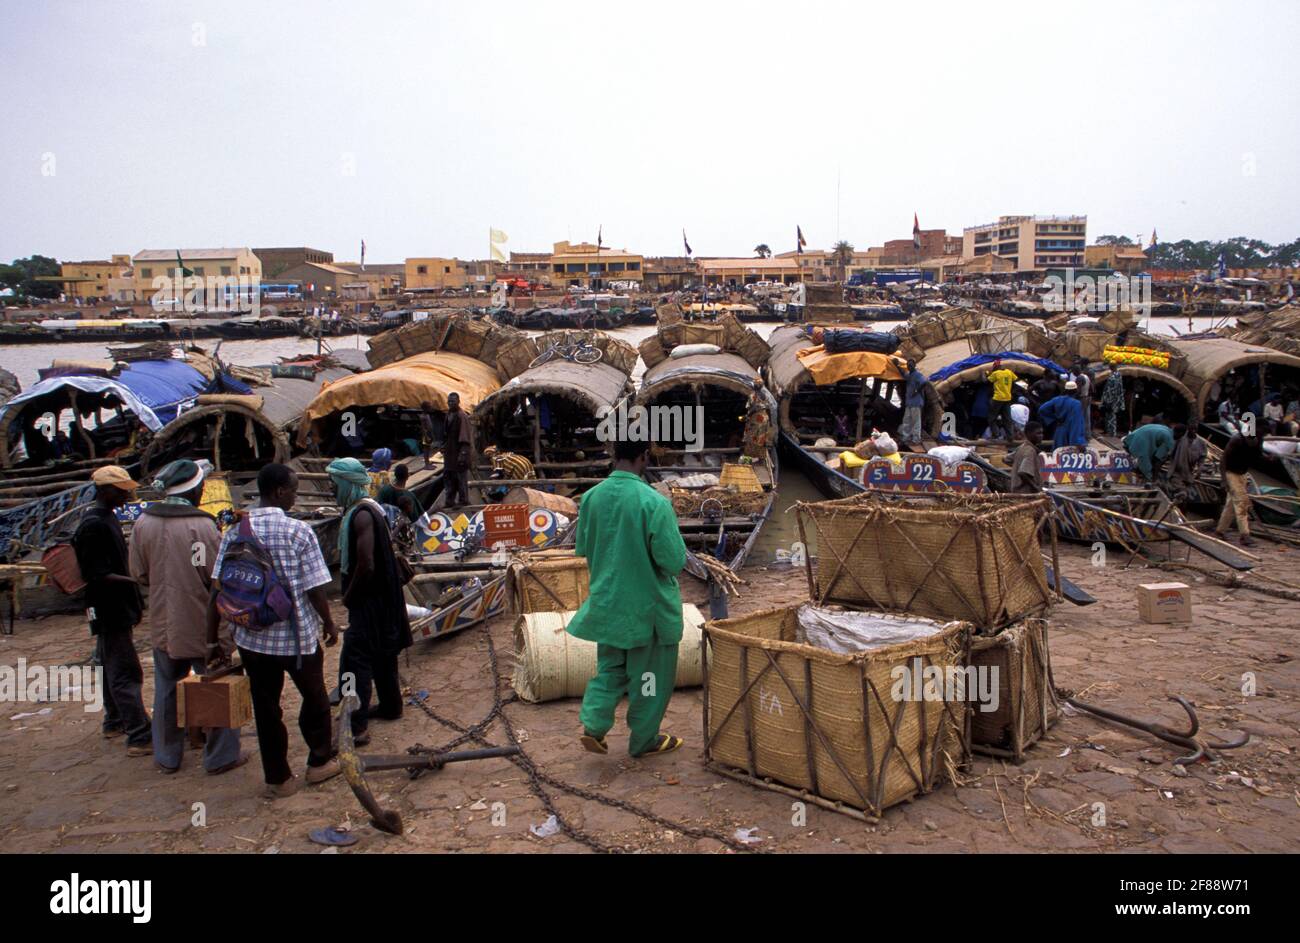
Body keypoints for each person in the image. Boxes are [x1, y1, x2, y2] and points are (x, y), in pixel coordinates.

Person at [207, 463, 341, 797]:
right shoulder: (299, 531)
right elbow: (314, 588)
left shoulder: (236, 530)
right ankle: (319, 763)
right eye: (294, 490)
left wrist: (213, 638)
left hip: (251, 636)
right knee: (315, 698)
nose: (295, 497)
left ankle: (278, 779)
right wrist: (328, 622)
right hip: (296, 637)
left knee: (266, 708)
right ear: (280, 491)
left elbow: (217, 588)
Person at [567, 438, 688, 758]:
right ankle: (643, 739)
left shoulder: (591, 498)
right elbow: (673, 561)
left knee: (610, 669)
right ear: (645, 456)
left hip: (607, 605)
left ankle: (593, 726)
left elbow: (583, 549)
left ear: (613, 455)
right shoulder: (653, 502)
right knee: (649, 678)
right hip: (646, 610)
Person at [129, 459, 244, 775]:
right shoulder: (201, 526)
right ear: (196, 490)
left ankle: (167, 756)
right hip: (203, 624)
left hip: (164, 621)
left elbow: (139, 573)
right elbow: (217, 579)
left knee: (166, 689)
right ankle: (219, 756)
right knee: (215, 685)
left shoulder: (144, 523)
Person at [328, 458, 412, 745]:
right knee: (383, 654)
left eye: (333, 484)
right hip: (383, 599)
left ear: (347, 485)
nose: (331, 490)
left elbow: (366, 563)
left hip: (369, 599)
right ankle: (391, 706)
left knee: (354, 660)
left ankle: (357, 723)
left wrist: (349, 596)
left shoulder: (362, 515)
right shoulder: (368, 510)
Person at [74, 465, 150, 756]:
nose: (126, 496)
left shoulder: (102, 518)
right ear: (106, 491)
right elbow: (97, 573)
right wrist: (135, 579)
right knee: (125, 669)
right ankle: (139, 734)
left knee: (110, 662)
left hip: (109, 605)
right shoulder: (95, 524)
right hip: (109, 606)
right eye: (121, 492)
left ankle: (115, 720)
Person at [1215, 432, 1262, 547]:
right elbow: (1223, 460)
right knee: (1242, 503)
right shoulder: (1236, 440)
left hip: (1243, 474)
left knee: (1231, 504)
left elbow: (1257, 456)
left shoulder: (1258, 440)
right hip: (1231, 474)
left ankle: (1220, 531)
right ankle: (1245, 535)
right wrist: (1224, 480)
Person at [438, 392, 471, 508]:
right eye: (449, 401)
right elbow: (446, 434)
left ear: (458, 402)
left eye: (453, 401)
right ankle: (450, 500)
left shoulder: (461, 416)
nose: (451, 403)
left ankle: (463, 500)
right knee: (449, 476)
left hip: (459, 451)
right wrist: (443, 445)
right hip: (449, 451)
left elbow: (465, 437)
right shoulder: (448, 414)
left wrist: (463, 454)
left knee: (460, 477)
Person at [1038, 383, 1088, 448]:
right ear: (1076, 391)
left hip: (1059, 432)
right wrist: (1078, 442)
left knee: (1058, 453)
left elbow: (1042, 409)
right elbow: (1076, 424)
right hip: (1071, 433)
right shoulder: (1076, 404)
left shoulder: (1057, 399)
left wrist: (1054, 418)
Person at [1167, 423, 1207, 500]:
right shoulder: (1180, 439)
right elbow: (1170, 452)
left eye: (1195, 429)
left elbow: (1202, 458)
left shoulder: (1201, 443)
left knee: (1185, 495)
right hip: (1176, 471)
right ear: (1188, 430)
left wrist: (1200, 469)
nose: (1193, 431)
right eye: (1191, 429)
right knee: (1179, 489)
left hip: (1189, 472)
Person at [984, 360, 1018, 440]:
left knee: (992, 417)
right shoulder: (1009, 372)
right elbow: (1015, 380)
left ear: (996, 367)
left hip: (998, 398)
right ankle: (1010, 436)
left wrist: (987, 374)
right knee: (1007, 418)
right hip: (1007, 398)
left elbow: (988, 381)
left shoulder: (995, 374)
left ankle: (996, 434)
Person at [1010, 421, 1044, 493]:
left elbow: (1006, 459)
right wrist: (1036, 488)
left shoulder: (1021, 447)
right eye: (1038, 433)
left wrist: (1017, 465)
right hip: (1025, 493)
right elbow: (1023, 473)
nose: (1041, 436)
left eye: (1041, 433)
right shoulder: (1030, 451)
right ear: (1028, 434)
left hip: (1016, 491)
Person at [899, 359, 926, 449]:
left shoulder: (917, 374)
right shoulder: (910, 375)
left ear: (914, 365)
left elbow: (924, 382)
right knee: (906, 420)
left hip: (916, 402)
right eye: (908, 365)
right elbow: (903, 374)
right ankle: (905, 438)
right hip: (909, 403)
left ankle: (916, 439)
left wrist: (916, 390)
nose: (909, 366)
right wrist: (897, 366)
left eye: (910, 365)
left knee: (916, 421)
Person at [1100, 370, 1125, 436]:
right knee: (1107, 416)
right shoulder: (1115, 376)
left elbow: (1114, 391)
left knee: (1111, 416)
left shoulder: (1115, 378)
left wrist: (1111, 401)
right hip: (1109, 399)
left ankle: (1111, 432)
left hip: (1112, 400)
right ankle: (1107, 431)